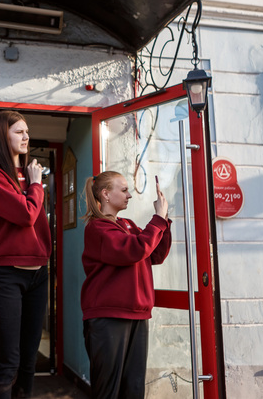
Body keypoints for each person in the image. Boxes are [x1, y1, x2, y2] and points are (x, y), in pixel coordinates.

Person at [81, 171, 171, 399]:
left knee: (134, 389)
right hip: (108, 318)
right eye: (123, 190)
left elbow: (155, 253)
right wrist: (157, 218)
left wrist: (164, 219)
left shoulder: (128, 224)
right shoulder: (97, 228)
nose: (129, 195)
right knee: (108, 392)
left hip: (137, 314)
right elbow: (134, 250)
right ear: (105, 194)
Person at [0, 111, 52, 398]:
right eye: (19, 132)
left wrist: (33, 182)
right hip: (6, 275)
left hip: (38, 274)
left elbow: (37, 221)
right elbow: (26, 215)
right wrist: (35, 184)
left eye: (27, 131)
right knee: (7, 361)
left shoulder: (30, 175)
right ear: (3, 135)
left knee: (28, 360)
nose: (26, 137)